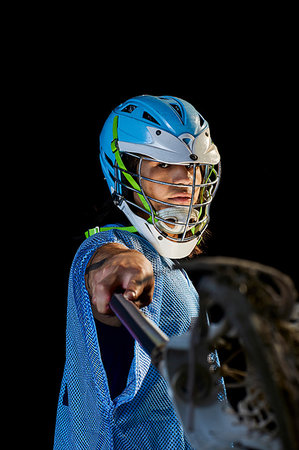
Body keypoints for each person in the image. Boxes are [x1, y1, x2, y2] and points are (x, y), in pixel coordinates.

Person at [54, 95, 223, 449]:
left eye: (192, 168)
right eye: (163, 166)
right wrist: (115, 266)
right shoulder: (116, 246)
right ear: (125, 174)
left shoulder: (174, 272)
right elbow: (103, 261)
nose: (185, 181)